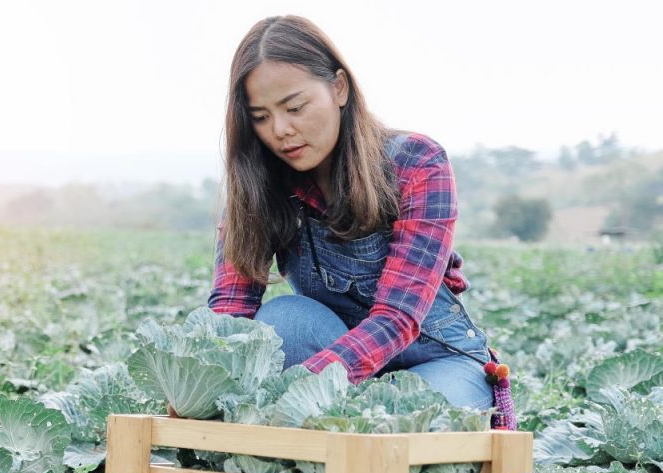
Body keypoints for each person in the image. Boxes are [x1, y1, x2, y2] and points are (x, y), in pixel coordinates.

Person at [207, 15, 516, 429]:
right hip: (332, 361)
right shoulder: (259, 186)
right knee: (281, 321)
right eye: (260, 116)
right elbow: (231, 310)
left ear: (339, 87)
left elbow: (397, 318)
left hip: (436, 360)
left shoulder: (418, 163)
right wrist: (205, 386)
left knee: (395, 422)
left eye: (295, 107)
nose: (280, 130)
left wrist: (298, 390)